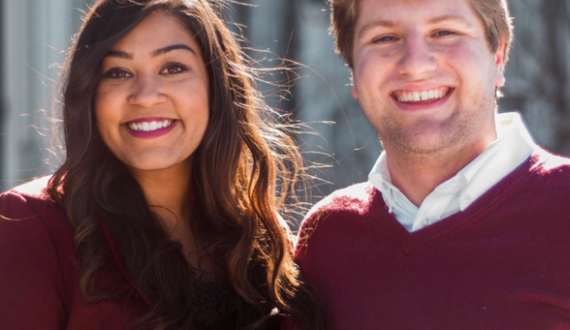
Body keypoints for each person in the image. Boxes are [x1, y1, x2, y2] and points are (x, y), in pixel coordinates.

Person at [0, 0, 323, 329]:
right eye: (118, 72)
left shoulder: (262, 239)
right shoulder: (29, 224)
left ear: (216, 87)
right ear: (91, 96)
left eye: (173, 68)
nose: (145, 95)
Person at [289, 0, 570, 329]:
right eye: (384, 38)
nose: (415, 65)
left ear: (497, 55)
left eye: (444, 32)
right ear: (353, 68)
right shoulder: (326, 238)